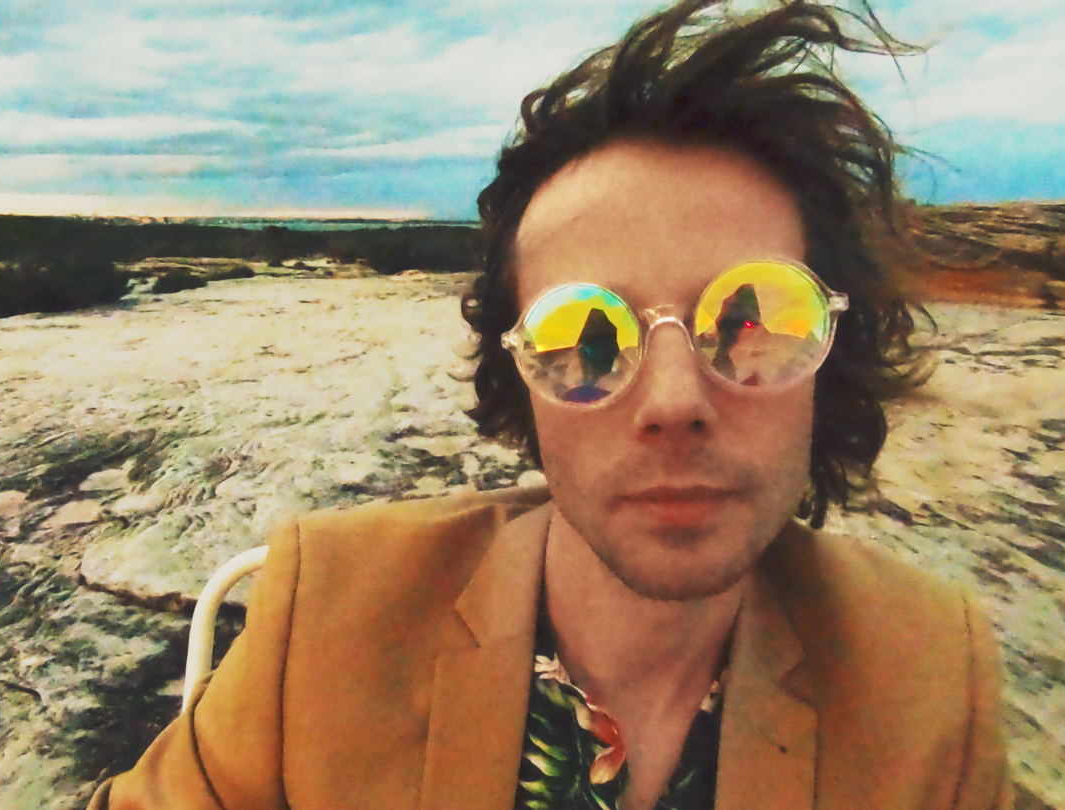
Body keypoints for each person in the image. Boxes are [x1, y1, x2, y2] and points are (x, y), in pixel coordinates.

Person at [89, 1, 1013, 807]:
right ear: (519, 381)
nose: (674, 402)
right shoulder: (326, 624)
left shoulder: (931, 679)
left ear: (830, 353)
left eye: (753, 317)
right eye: (589, 335)